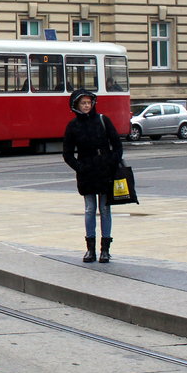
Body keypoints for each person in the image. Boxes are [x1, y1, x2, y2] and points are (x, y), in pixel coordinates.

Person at [62, 89, 123, 263]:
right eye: (83, 103)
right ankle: (90, 249)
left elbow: (117, 146)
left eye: (89, 103)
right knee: (89, 209)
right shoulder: (73, 126)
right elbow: (67, 153)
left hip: (104, 171)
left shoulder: (103, 120)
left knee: (104, 209)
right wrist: (79, 167)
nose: (87, 106)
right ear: (76, 106)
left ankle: (105, 249)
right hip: (87, 172)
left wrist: (110, 161)